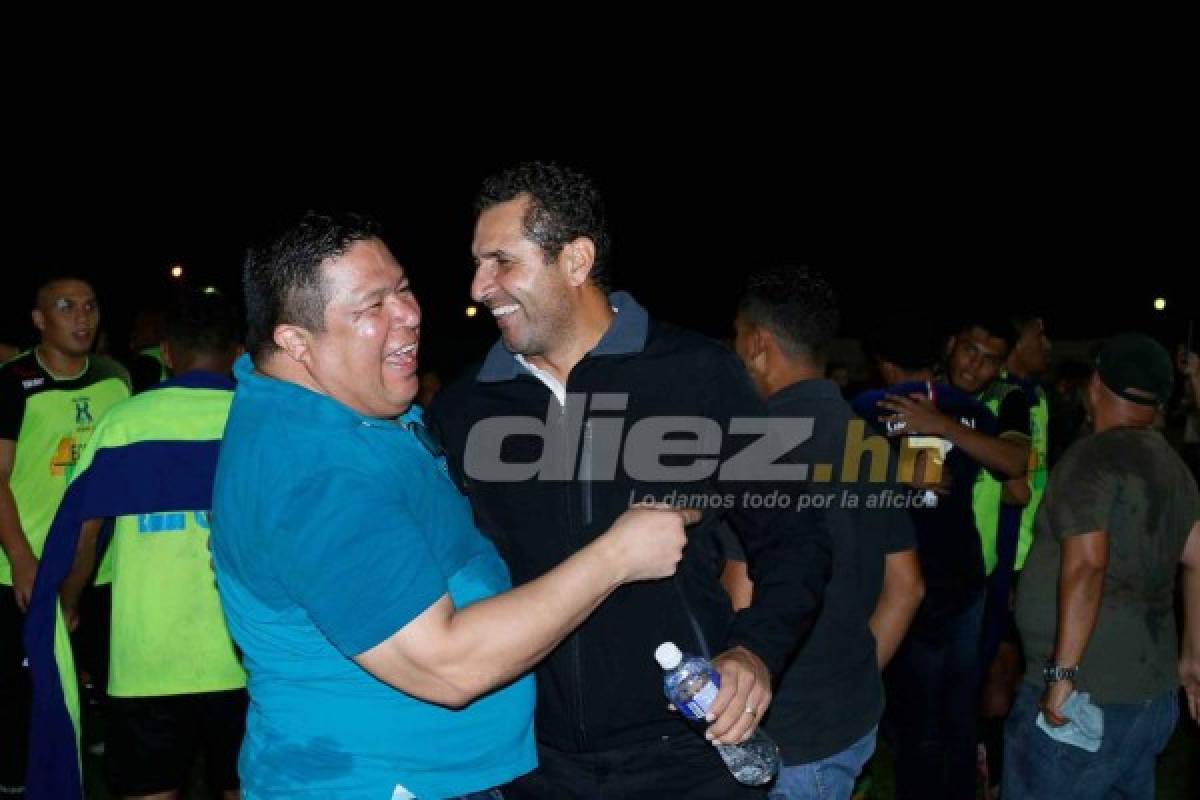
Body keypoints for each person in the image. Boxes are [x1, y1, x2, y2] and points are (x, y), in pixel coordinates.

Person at [210, 211, 695, 800]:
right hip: (379, 783)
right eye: (373, 308)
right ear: (295, 342)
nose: (410, 316)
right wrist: (619, 554)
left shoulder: (352, 408)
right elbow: (447, 666)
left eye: (404, 291)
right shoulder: (314, 469)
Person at [429, 162, 830, 798]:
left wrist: (755, 651)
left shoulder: (701, 374)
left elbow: (796, 538)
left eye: (501, 261)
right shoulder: (461, 410)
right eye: (478, 263)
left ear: (576, 259)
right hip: (527, 759)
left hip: (686, 749)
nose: (480, 287)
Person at [725, 265, 923, 800]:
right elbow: (906, 586)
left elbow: (741, 597)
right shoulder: (865, 438)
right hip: (847, 723)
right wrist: (852, 676)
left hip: (781, 738)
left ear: (759, 343)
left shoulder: (756, 448)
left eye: (737, 335)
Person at [1005, 333, 1200, 799]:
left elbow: (1087, 567)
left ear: (1096, 384)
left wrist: (1061, 677)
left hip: (1088, 700)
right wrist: (1193, 658)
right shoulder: (1175, 468)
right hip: (1150, 696)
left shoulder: (1092, 460)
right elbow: (1197, 559)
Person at [0, 275, 129, 797]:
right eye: (67, 307)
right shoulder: (13, 383)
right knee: (20, 701)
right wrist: (22, 558)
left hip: (103, 570)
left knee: (106, 691)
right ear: (39, 320)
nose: (83, 317)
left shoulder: (115, 381)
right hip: (24, 570)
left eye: (91, 306)